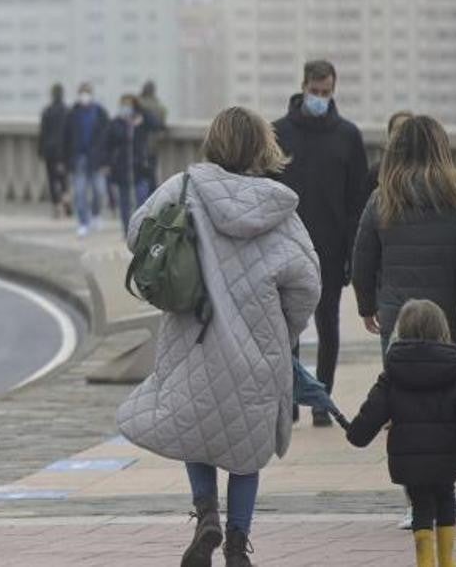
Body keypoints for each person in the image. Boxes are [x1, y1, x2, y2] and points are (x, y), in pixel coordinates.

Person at [117, 106, 321, 567]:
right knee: (246, 447)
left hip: (192, 332)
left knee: (198, 428)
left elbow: (138, 234)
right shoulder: (279, 208)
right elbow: (308, 283)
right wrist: (285, 329)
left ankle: (206, 512)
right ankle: (237, 541)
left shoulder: (182, 188)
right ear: (260, 147)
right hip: (257, 345)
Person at [345, 300, 456, 567]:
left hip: (409, 456)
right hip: (449, 453)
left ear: (401, 331)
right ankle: (448, 560)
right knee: (446, 496)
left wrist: (357, 434)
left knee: (421, 504)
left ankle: (425, 560)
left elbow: (373, 410)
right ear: (442, 329)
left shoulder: (393, 371)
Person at [273, 59, 368, 427]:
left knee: (328, 324)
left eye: (326, 93)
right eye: (315, 92)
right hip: (285, 245)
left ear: (334, 91)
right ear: (303, 87)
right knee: (287, 327)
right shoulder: (278, 133)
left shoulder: (347, 136)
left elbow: (356, 201)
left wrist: (351, 253)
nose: (320, 98)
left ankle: (320, 400)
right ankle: (291, 397)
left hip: (329, 248)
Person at [351, 115, 456, 358]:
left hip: (396, 316)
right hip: (446, 317)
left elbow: (363, 261)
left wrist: (367, 306)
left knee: (399, 383)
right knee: (446, 383)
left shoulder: (381, 200)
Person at [104, 94, 164, 232]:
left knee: (142, 199)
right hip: (121, 168)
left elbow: (157, 125)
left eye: (129, 105)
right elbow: (108, 144)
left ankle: (141, 230)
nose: (126, 108)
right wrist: (107, 163)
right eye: (123, 105)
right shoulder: (116, 123)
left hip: (140, 167)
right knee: (124, 201)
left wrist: (142, 112)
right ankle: (127, 231)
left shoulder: (141, 121)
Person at [62, 83, 111, 237]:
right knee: (80, 193)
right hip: (78, 159)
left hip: (97, 160)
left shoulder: (100, 113)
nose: (84, 96)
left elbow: (108, 139)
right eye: (82, 93)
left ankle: (96, 214)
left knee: (99, 191)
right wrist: (65, 161)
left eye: (87, 93)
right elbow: (65, 139)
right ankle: (83, 222)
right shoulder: (72, 114)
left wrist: (107, 162)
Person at [38, 83, 70, 218]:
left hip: (49, 151)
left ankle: (56, 206)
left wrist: (40, 151)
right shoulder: (67, 111)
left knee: (52, 179)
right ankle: (66, 202)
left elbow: (43, 133)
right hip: (62, 152)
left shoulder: (47, 111)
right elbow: (70, 133)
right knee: (63, 179)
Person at [365, 111, 414, 196]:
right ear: (389, 135)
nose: (401, 133)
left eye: (407, 128)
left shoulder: (424, 172)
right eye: (397, 129)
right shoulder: (377, 172)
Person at [138, 80, 168, 201]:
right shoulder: (159, 106)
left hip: (140, 144)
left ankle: (142, 201)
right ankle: (153, 200)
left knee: (140, 175)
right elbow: (162, 124)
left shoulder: (139, 104)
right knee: (152, 174)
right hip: (154, 144)